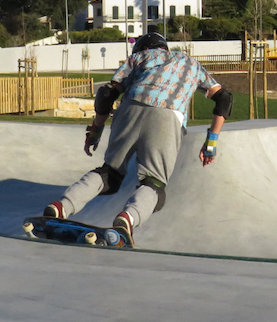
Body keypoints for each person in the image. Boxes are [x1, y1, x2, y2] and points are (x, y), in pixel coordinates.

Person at [45, 32, 233, 246]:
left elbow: (106, 94)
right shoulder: (190, 63)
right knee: (154, 184)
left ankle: (60, 207)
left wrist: (96, 131)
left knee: (110, 174)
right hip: (168, 117)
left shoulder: (138, 58)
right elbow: (224, 98)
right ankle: (127, 219)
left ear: (142, 48)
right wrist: (211, 142)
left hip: (130, 108)